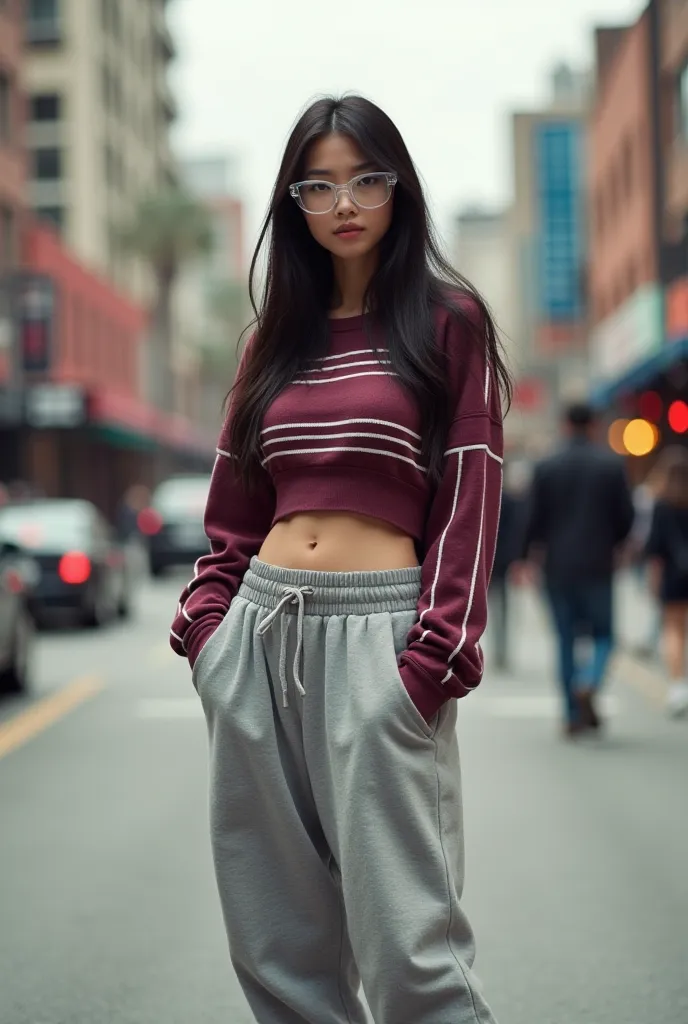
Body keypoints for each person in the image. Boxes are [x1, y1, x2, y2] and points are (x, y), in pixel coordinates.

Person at [169, 95, 509, 1024]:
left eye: (365, 178)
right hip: (259, 636)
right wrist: (209, 638)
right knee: (281, 956)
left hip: (384, 640)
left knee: (413, 955)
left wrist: (433, 659)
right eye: (317, 185)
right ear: (294, 204)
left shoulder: (448, 323)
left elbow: (470, 500)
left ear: (398, 187)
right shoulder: (270, 342)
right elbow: (233, 512)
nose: (345, 202)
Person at [519, 402, 634, 737]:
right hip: (599, 565)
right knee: (604, 636)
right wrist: (613, 544)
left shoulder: (546, 465)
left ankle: (571, 715)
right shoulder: (611, 465)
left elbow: (532, 518)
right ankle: (590, 680)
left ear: (565, 425)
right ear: (594, 425)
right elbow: (626, 519)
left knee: (565, 640)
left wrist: (524, 557)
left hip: (557, 567)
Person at [644, 446, 688, 717]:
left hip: (673, 574)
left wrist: (654, 580)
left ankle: (677, 685)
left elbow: (654, 549)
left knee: (673, 629)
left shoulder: (661, 504)